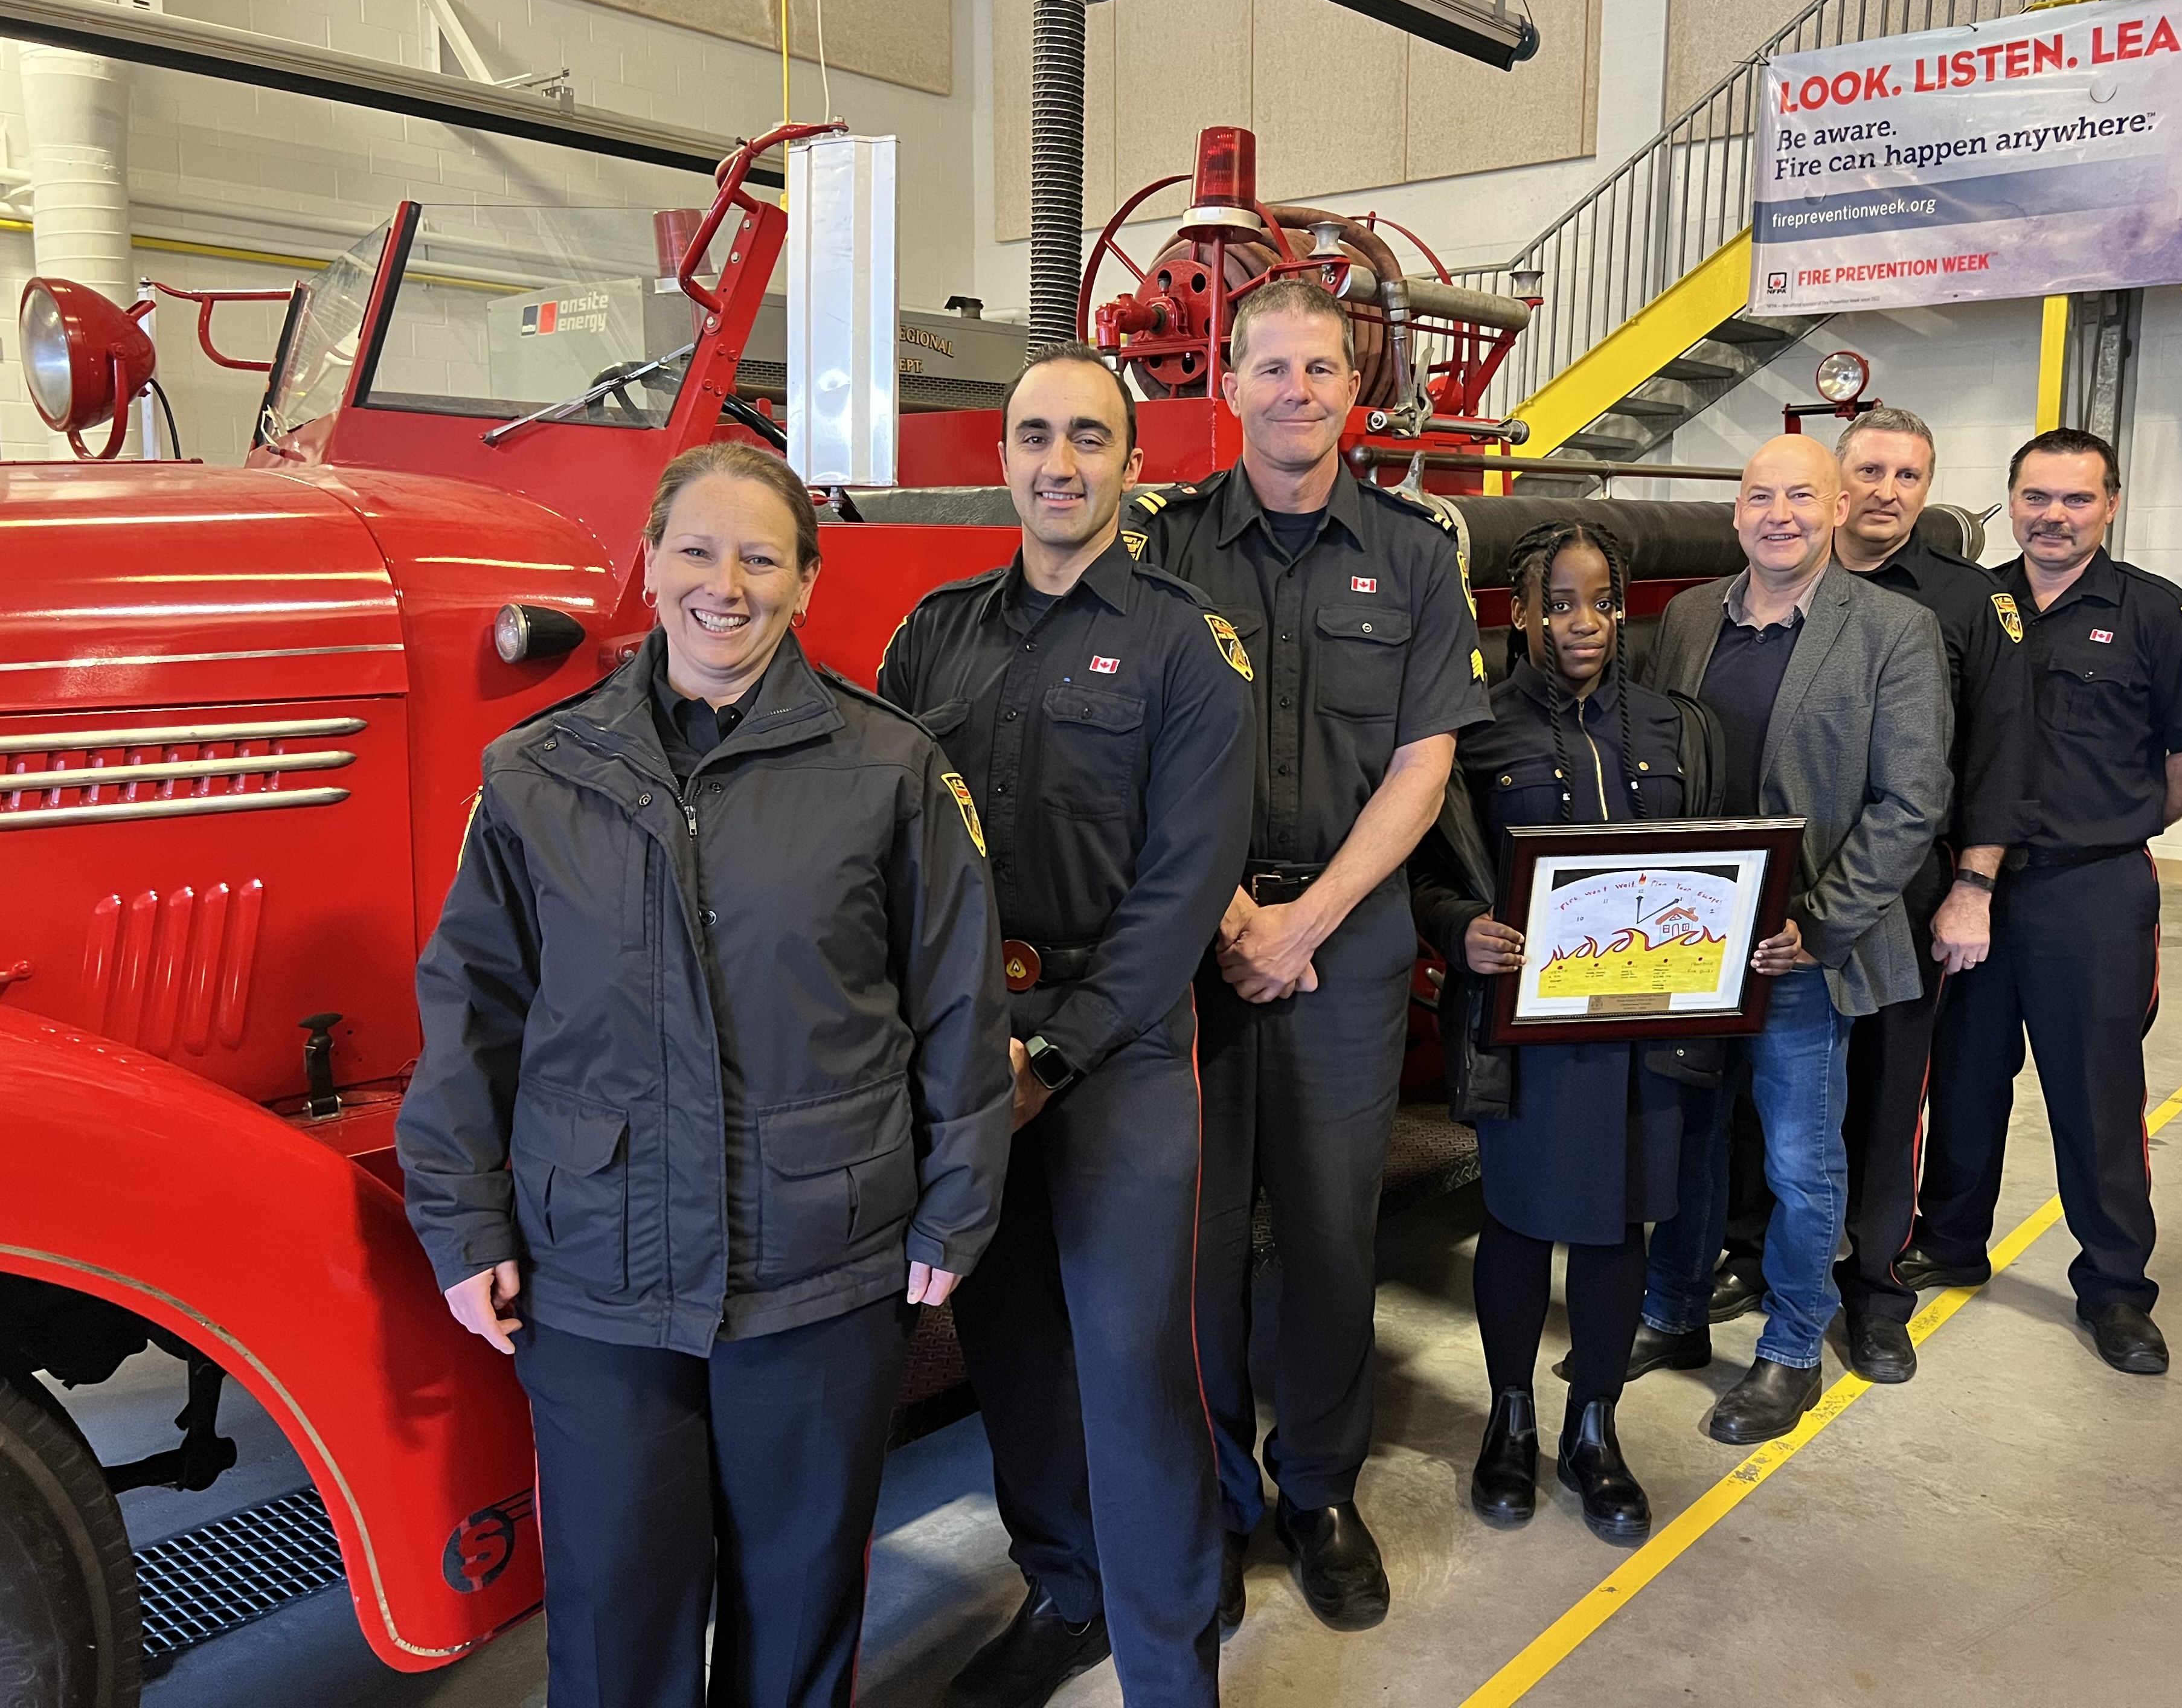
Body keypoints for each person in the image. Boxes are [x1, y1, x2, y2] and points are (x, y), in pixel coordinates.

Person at [395, 443, 1011, 1708]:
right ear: (650, 559)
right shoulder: (537, 772)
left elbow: (959, 1000)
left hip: (817, 1270)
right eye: (695, 548)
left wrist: (957, 1202)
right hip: (597, 1277)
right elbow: (471, 1011)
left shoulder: (889, 770)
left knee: (796, 1609)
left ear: (803, 581)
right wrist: (460, 1220)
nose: (722, 583)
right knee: (617, 1614)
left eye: (758, 556)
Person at [878, 344, 1253, 1708]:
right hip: (972, 1041)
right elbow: (892, 852)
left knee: (1132, 1367)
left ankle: (1169, 1668)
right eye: (1033, 434)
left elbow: (1186, 882)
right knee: (1015, 1349)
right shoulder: (932, 635)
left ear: (1132, 464)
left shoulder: (1187, 646)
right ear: (1002, 461)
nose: (1057, 461)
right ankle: (1067, 1593)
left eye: (1088, 437)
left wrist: (1062, 1051)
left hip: (1122, 1047)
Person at [1125, 276, 1492, 1633]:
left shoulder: (1409, 555)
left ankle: (1322, 1492)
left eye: (1319, 368)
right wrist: (1230, 919)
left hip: (1348, 943)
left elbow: (1425, 757)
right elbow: (1145, 759)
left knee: (1337, 1236)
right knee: (1201, 1242)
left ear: (1355, 387)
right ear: (1227, 386)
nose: (1295, 390)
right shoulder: (1160, 553)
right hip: (1194, 946)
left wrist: (1308, 919)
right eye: (1268, 367)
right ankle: (1218, 1501)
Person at [1629, 432, 1950, 1444]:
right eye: (1760, 496)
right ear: (1736, 513)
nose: (1781, 514)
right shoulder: (1687, 617)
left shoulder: (1893, 629)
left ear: (1836, 509)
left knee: (1803, 1162)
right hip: (1691, 940)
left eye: (1802, 497)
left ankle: (1792, 1350)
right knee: (1686, 1143)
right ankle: (1674, 1312)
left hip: (1801, 949)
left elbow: (1912, 800)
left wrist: (1820, 925)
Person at [1410, 519, 1724, 1547]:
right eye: (1558, 603)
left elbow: (1721, 861)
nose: (1582, 623)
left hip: (1648, 1031)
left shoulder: (1680, 727)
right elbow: (1426, 878)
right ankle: (1511, 1417)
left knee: (1619, 1223)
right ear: (1521, 610)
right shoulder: (1475, 732)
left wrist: (1753, 935)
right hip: (1526, 1034)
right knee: (1517, 1219)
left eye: (1599, 602)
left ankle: (1595, 1425)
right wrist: (1464, 934)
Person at [1905, 429, 2182, 1376]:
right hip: (1972, 885)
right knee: (1963, 1074)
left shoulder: (2156, 614)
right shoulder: (1976, 604)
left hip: (2091, 891)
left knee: (2096, 1093)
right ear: (2010, 500)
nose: (2054, 516)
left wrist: (2119, 821)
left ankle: (2117, 1290)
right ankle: (1951, 1241)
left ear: (2111, 504)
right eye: (2037, 497)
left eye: (2076, 499)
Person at [1823, 407, 2035, 1382]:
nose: (1887, 492)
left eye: (1909, 476)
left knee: (1885, 1096)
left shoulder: (1965, 603)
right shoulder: (1785, 582)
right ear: (1838, 477)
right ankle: (1750, 1247)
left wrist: (1973, 889)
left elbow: (1998, 755)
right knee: (1762, 1089)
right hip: (1784, 892)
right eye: (1869, 471)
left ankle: (1873, 1290)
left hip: (1905, 891)